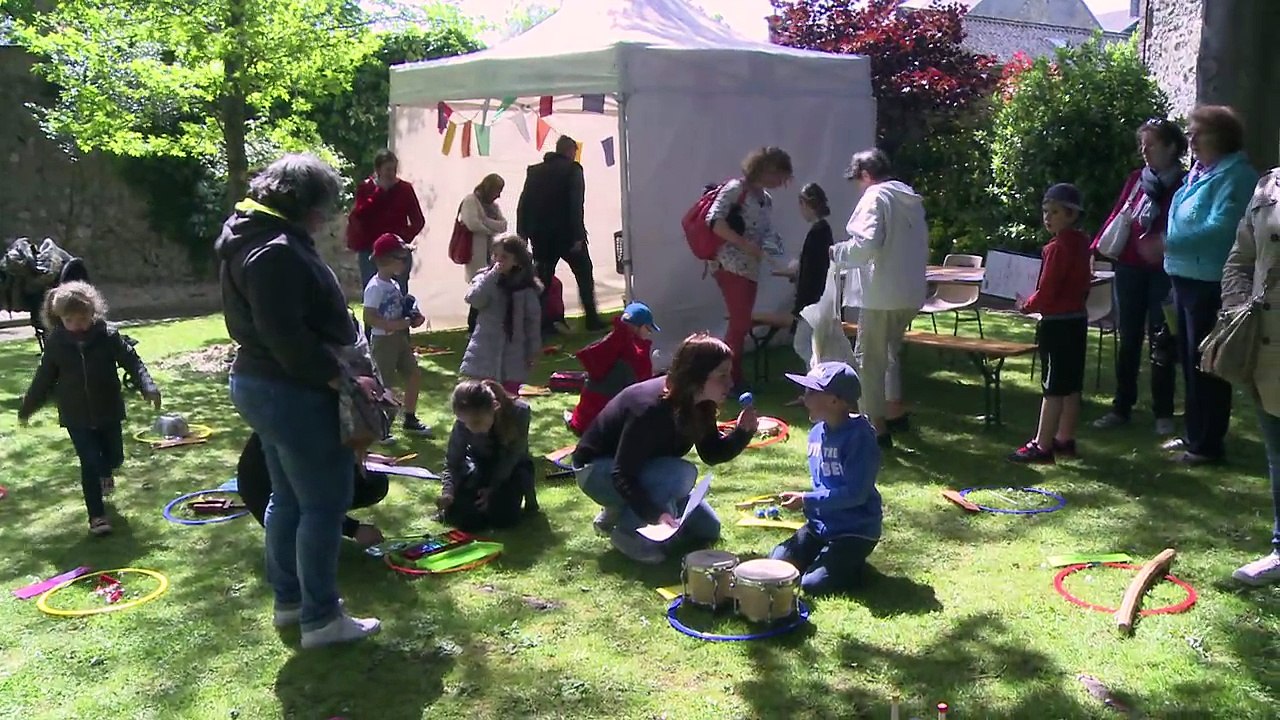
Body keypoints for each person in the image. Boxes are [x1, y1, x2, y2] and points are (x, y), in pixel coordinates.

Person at [217, 153, 381, 648]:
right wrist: (337, 378)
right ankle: (320, 617)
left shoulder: (249, 235)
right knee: (324, 506)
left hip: (267, 387)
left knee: (287, 498)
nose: (325, 217)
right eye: (323, 206)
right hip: (290, 390)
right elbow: (285, 336)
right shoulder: (275, 251)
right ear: (302, 204)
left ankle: (291, 603)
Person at [572, 333, 756, 564]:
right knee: (680, 474)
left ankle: (623, 511)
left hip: (643, 470)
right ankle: (627, 534)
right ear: (696, 377)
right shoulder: (650, 408)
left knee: (709, 529)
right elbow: (622, 474)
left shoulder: (700, 402)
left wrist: (742, 434)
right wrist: (656, 514)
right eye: (722, 376)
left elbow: (711, 453)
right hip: (596, 471)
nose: (730, 383)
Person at [17, 281, 161, 536]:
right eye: (69, 320)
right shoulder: (56, 344)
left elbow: (133, 362)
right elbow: (43, 379)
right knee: (90, 462)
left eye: (82, 318)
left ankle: (106, 472)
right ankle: (97, 516)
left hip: (108, 410)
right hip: (76, 415)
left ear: (92, 312)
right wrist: (28, 406)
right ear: (59, 318)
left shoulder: (108, 337)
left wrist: (147, 386)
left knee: (114, 457)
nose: (77, 325)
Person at [1162, 105, 1258, 465]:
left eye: (1198, 133)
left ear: (1221, 137)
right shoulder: (1200, 172)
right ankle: (1193, 433)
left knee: (1208, 364)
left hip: (1211, 281)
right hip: (1184, 277)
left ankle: (1207, 445)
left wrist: (1170, 243)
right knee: (1188, 361)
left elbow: (1222, 229)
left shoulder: (1237, 176)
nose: (1191, 140)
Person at [1092, 118, 1188, 436]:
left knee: (1162, 340)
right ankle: (1122, 407)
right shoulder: (1137, 179)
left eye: (1151, 145)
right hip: (1130, 269)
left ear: (1172, 148)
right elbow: (1117, 212)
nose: (1144, 151)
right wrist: (1095, 250)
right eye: (1142, 145)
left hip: (1165, 271)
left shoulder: (1185, 183)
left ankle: (1163, 412)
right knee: (1129, 338)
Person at [833, 149, 928, 448]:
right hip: (909, 292)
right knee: (889, 356)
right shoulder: (909, 198)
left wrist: (836, 253)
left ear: (865, 175)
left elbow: (866, 245)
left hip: (881, 294)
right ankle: (893, 411)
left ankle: (875, 428)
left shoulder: (875, 197)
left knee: (869, 360)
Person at [770, 362, 881, 594]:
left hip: (854, 529)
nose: (804, 398)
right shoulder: (816, 433)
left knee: (812, 584)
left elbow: (856, 494)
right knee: (776, 563)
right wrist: (807, 504)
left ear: (835, 401)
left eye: (812, 392)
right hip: (821, 525)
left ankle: (854, 565)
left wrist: (807, 499)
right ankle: (832, 559)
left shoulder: (860, 438)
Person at [1223, 169, 1280, 585]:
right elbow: (1240, 258)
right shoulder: (1268, 186)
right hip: (1267, 348)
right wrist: (1238, 306)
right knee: (1277, 452)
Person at [1009, 184, 1093, 463]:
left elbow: (1047, 291)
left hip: (1057, 323)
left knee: (1053, 386)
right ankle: (1064, 439)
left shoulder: (1056, 248)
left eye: (1055, 212)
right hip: (1078, 320)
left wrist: (1026, 306)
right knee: (1071, 385)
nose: (1048, 217)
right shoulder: (1083, 244)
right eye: (1045, 211)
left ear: (1071, 215)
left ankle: (1042, 445)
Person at [707, 146, 793, 391]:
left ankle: (729, 376)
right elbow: (714, 222)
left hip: (750, 268)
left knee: (741, 324)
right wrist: (745, 245)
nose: (782, 182)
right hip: (730, 265)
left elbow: (766, 234)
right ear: (766, 170)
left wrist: (782, 258)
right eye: (780, 176)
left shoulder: (765, 199)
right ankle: (729, 378)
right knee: (739, 324)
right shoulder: (736, 189)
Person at [236, 433, 387, 548]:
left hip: (276, 486)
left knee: (374, 483)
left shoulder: (313, 411)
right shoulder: (308, 420)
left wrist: (365, 455)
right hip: (268, 499)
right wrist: (354, 529)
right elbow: (310, 491)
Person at [517, 135, 602, 334]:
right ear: (571, 151)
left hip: (541, 236)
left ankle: (537, 326)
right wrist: (578, 235)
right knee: (584, 275)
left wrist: (523, 234)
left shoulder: (534, 171)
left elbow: (524, 204)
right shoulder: (573, 170)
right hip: (567, 234)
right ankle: (591, 320)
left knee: (542, 282)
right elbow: (575, 204)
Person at [437, 379, 538, 531]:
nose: (471, 428)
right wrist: (448, 492)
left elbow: (514, 455)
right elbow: (453, 461)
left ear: (495, 407)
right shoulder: (463, 423)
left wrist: (492, 487)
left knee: (503, 519)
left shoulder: (519, 413)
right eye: (466, 423)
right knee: (465, 519)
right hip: (480, 466)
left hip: (512, 469)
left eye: (477, 422)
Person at [363, 232, 431, 437]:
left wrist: (413, 316)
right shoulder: (375, 287)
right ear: (386, 260)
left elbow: (401, 308)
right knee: (384, 385)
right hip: (383, 341)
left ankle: (409, 418)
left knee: (413, 374)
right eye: (402, 259)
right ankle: (381, 427)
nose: (406, 263)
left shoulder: (393, 284)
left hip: (399, 338)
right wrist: (393, 324)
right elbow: (369, 317)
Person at [460, 235, 542, 395]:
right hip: (484, 350)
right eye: (495, 256)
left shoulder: (526, 288)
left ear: (517, 261)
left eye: (504, 257)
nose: (498, 261)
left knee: (508, 400)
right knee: (480, 399)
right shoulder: (484, 279)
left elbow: (532, 321)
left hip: (514, 355)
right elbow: (474, 299)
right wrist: (492, 276)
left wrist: (533, 351)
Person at [567, 301, 658, 436]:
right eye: (648, 329)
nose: (649, 334)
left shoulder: (606, 345)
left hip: (583, 421)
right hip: (610, 428)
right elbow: (645, 394)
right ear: (639, 327)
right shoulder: (637, 354)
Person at [347, 149, 425, 290]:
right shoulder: (366, 188)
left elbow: (418, 221)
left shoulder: (405, 189)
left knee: (398, 293)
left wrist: (401, 238)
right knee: (372, 291)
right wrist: (379, 193)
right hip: (370, 250)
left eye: (394, 169)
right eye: (388, 169)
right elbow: (359, 215)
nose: (391, 173)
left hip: (396, 251)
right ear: (378, 170)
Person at [460, 174, 509, 334]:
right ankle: (472, 326)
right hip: (476, 252)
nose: (498, 195)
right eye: (497, 190)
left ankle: (484, 325)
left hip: (491, 251)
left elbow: (503, 225)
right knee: (478, 287)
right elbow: (472, 224)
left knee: (490, 287)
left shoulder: (492, 207)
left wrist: (485, 221)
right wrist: (489, 227)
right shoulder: (471, 201)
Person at [789, 183, 834, 328]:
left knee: (805, 344)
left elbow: (811, 272)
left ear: (805, 204)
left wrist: (801, 304)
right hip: (819, 297)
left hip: (813, 299)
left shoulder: (817, 233)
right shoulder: (823, 230)